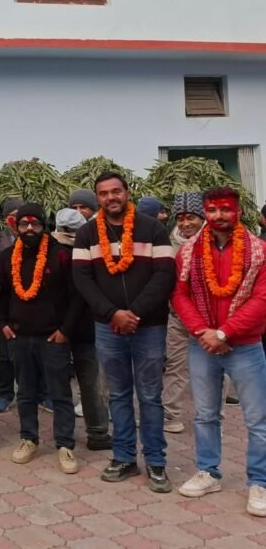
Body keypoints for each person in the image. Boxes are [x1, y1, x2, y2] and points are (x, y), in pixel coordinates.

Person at [73, 173, 176, 493]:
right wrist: (113, 314)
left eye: (116, 191)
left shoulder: (153, 228)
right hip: (107, 327)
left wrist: (135, 313)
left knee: (150, 395)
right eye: (103, 193)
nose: (110, 197)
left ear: (127, 192)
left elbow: (164, 275)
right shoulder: (87, 233)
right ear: (98, 198)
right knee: (117, 394)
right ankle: (124, 457)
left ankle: (156, 461)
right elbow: (82, 280)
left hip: (149, 326)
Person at [173, 187, 266, 517]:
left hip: (246, 346)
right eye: (212, 210)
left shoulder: (259, 251)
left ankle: (260, 482)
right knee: (205, 414)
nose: (218, 216)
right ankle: (208, 472)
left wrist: (224, 332)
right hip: (202, 345)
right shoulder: (189, 252)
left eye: (225, 209)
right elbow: (179, 295)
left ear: (237, 211)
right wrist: (203, 332)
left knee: (258, 420)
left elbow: (262, 299)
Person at [0, 203, 80, 474]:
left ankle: (65, 444)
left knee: (60, 392)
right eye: (24, 224)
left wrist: (65, 330)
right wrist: (3, 324)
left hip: (53, 337)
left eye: (35, 223)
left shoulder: (61, 255)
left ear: (44, 226)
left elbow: (76, 297)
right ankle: (28, 439)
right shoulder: (7, 256)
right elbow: (2, 295)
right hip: (19, 336)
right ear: (17, 226)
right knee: (26, 391)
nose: (29, 228)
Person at [53, 209, 112, 451]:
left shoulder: (57, 250)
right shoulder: (86, 248)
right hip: (69, 328)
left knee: (79, 383)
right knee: (86, 382)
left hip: (72, 328)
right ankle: (93, 433)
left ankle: (80, 435)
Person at [163, 192, 205, 434]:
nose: (185, 223)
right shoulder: (170, 243)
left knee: (213, 370)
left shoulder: (216, 241)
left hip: (210, 322)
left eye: (191, 217)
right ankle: (171, 415)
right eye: (180, 218)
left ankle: (213, 418)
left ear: (202, 217)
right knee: (175, 367)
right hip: (178, 318)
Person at [0, 198, 25, 415]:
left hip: (31, 309)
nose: (18, 221)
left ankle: (38, 393)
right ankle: (6, 394)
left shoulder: (38, 239)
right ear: (5, 220)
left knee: (33, 355)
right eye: (13, 216)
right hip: (4, 307)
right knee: (5, 355)